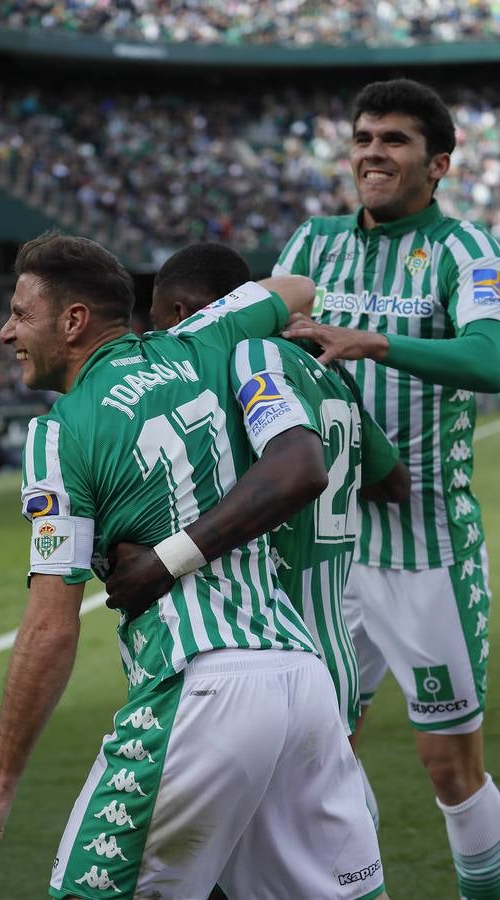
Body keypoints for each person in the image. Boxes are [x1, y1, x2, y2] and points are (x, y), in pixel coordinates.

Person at [0, 232, 388, 900]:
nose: (6, 332)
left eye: (19, 313)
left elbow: (50, 627)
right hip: (303, 682)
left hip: (201, 684)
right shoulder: (201, 340)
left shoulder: (58, 433)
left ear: (74, 322)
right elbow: (297, 288)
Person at [275, 78, 500, 898]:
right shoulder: (313, 243)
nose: (374, 152)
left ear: (439, 162)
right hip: (330, 552)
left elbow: (491, 360)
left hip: (427, 554)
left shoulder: (463, 252)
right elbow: (263, 329)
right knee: (314, 751)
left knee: (449, 767)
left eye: (396, 140)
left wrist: (377, 342)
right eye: (364, 137)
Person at [114, 241, 410, 744]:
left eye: (161, 320)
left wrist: (166, 559)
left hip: (273, 652)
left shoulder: (250, 359)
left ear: (185, 314)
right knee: (333, 810)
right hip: (336, 650)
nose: (158, 337)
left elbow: (297, 472)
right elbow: (393, 483)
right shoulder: (326, 369)